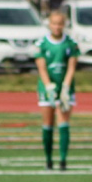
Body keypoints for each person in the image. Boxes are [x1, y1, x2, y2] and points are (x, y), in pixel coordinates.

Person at [34, 10, 80, 171]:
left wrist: (65, 88)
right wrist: (49, 86)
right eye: (54, 23)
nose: (57, 27)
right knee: (48, 123)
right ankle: (48, 160)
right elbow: (41, 68)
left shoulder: (70, 43)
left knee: (64, 123)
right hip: (47, 87)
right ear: (49, 24)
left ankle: (62, 160)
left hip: (65, 87)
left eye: (60, 23)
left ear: (64, 25)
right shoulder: (42, 43)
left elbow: (72, 66)